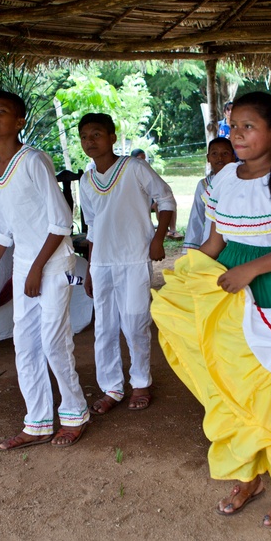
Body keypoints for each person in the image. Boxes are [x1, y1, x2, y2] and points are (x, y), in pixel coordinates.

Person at [152, 91, 271, 529]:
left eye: (249, 127)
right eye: (234, 127)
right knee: (232, 384)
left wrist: (251, 270)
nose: (239, 135)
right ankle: (249, 473)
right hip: (232, 285)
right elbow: (217, 242)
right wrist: (188, 271)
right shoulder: (222, 179)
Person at [0, 91, 89, 450]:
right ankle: (37, 422)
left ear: (19, 122)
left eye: (2, 112)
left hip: (54, 263)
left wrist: (37, 269)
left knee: (54, 342)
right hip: (25, 264)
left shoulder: (34, 160)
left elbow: (61, 222)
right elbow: (3, 230)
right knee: (24, 345)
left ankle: (74, 413)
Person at [77, 113, 176, 415]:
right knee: (104, 327)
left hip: (134, 257)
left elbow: (166, 199)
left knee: (135, 322)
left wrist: (158, 238)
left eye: (96, 134)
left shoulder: (134, 168)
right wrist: (91, 268)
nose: (90, 141)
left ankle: (141, 382)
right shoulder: (86, 179)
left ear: (112, 137)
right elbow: (92, 227)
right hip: (102, 262)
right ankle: (112, 387)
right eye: (84, 137)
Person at [183, 137, 233, 251]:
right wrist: (190, 249)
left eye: (225, 153)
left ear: (233, 156)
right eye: (214, 153)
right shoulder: (204, 185)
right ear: (208, 158)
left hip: (234, 243)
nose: (220, 157)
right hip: (209, 243)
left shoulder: (239, 181)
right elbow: (196, 217)